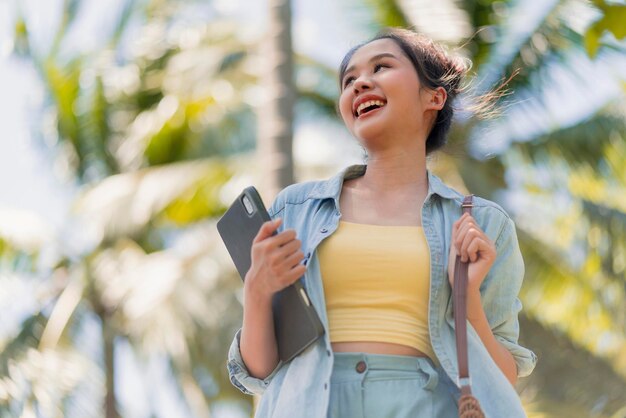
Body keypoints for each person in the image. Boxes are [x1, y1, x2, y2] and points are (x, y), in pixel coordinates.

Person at [227, 28, 537, 418]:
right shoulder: (296, 209)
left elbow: (501, 379)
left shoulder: (483, 224)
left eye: (381, 67)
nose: (360, 83)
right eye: (348, 80)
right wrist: (257, 290)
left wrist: (467, 297)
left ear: (434, 97)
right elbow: (260, 370)